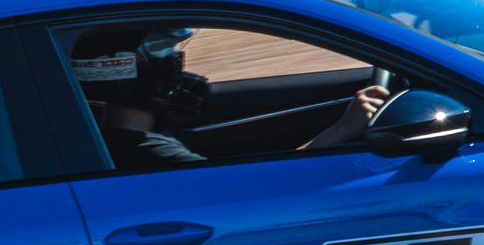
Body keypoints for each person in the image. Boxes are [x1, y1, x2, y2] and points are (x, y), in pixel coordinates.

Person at [69, 26, 389, 170]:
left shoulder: (127, 140)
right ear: (121, 68)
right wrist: (342, 130)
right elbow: (261, 191)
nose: (175, 62)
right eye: (162, 52)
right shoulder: (150, 152)